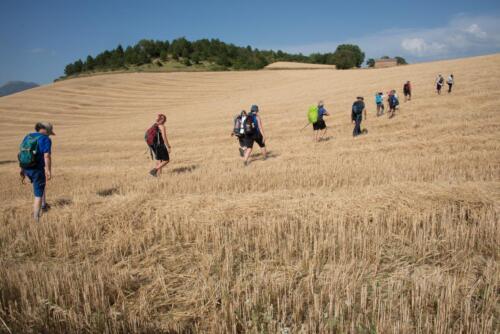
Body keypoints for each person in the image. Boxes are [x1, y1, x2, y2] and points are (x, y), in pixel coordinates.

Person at [19, 122, 55, 222]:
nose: (49, 135)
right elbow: (47, 156)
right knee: (38, 194)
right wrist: (48, 170)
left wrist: (22, 169)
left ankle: (43, 205)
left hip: (26, 167)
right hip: (36, 169)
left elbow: (22, 152)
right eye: (49, 133)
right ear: (46, 130)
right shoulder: (45, 139)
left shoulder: (28, 136)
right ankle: (36, 218)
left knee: (41, 185)